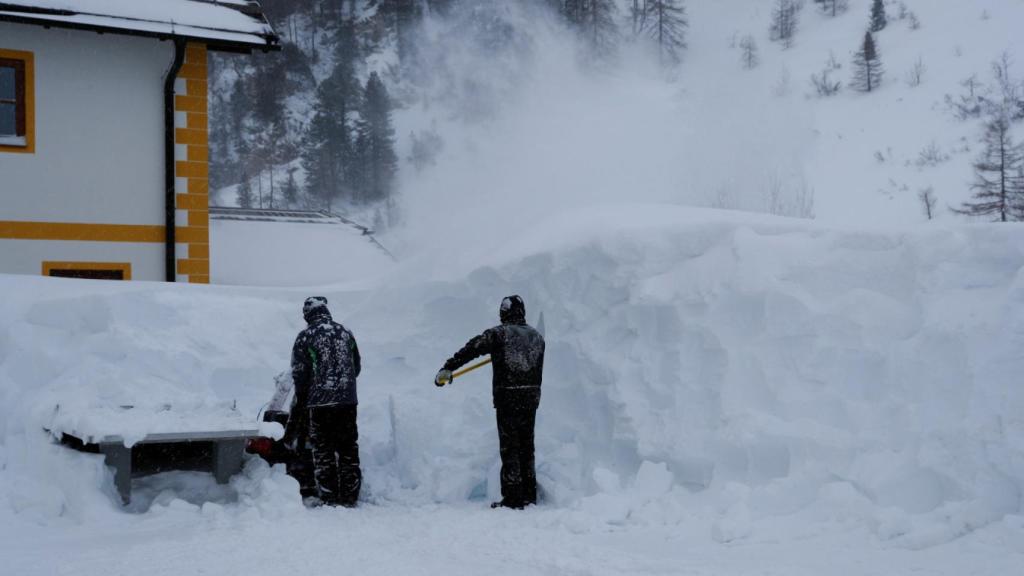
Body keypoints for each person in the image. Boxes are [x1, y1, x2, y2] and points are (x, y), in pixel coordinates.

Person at [435, 295, 545, 509]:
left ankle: (513, 498)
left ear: (504, 313)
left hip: (508, 397)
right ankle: (529, 495)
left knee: (510, 447)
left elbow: (473, 348)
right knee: (526, 446)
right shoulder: (537, 337)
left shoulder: (499, 334)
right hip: (531, 397)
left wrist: (449, 367)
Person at [286, 296, 362, 507]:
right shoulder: (345, 332)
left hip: (320, 404)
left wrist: (302, 403)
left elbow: (300, 375)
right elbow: (356, 367)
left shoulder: (305, 336)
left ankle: (330, 496)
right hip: (348, 402)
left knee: (323, 449)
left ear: (308, 315)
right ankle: (350, 496)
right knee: (348, 447)